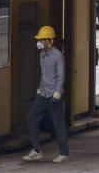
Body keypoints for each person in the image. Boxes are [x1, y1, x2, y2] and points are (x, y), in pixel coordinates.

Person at [23, 25, 69, 163]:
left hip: (55, 95)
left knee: (58, 124)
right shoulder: (42, 55)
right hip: (43, 94)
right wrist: (39, 88)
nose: (39, 42)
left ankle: (64, 153)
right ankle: (36, 150)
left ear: (49, 41)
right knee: (31, 118)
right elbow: (44, 75)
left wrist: (58, 93)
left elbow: (61, 77)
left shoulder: (58, 56)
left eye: (42, 40)